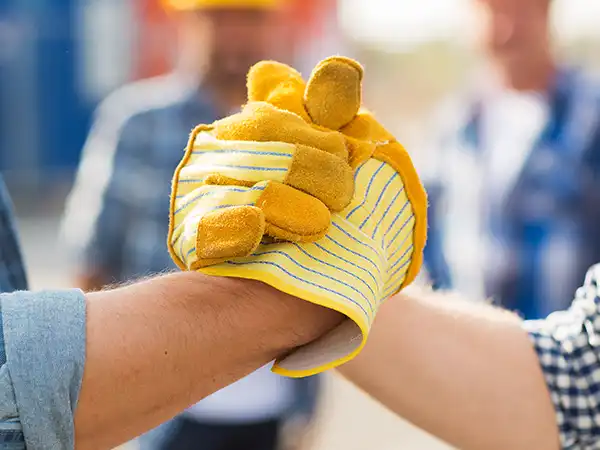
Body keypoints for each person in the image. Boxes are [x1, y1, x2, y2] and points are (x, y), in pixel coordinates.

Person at [59, 0, 320, 449]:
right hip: (165, 411)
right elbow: (92, 262)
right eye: (219, 18)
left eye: (250, 18)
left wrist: (308, 410)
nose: (234, 36)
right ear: (188, 24)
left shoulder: (305, 134)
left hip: (271, 408)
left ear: (275, 25)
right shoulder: (137, 122)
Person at [422, 0, 600, 319]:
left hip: (566, 358)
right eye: (493, 12)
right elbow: (427, 239)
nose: (506, 30)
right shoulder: (454, 124)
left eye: (519, 11)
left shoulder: (590, 115)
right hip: (472, 354)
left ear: (545, 13)